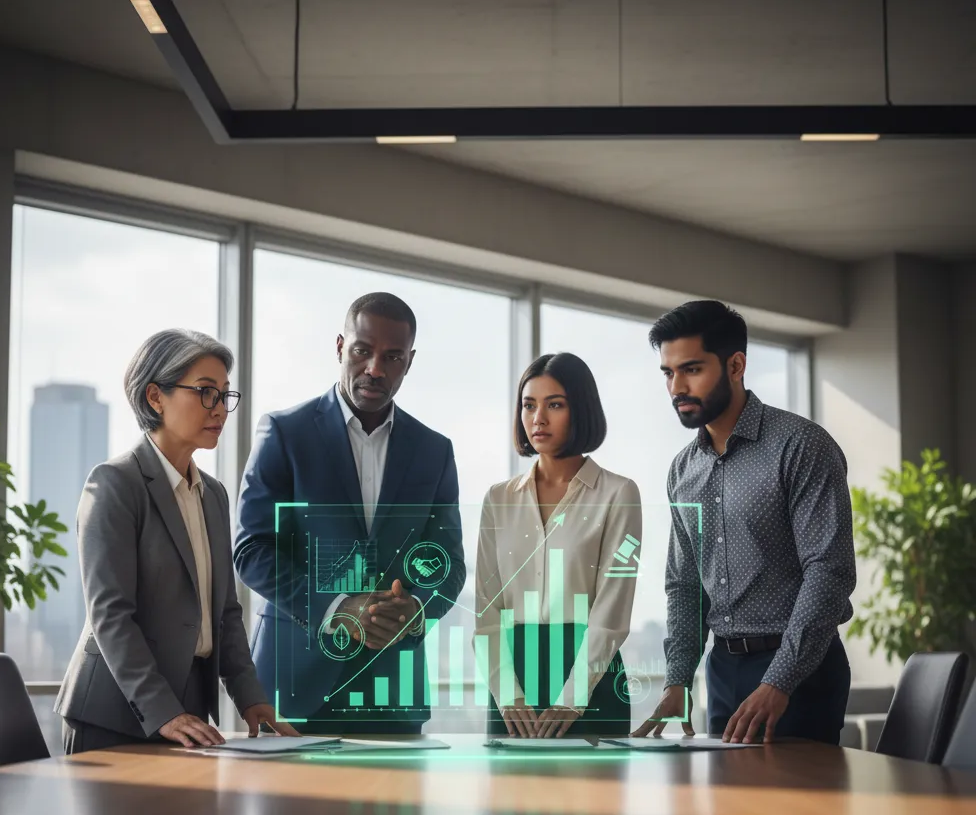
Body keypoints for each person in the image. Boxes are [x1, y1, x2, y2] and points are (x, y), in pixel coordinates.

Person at [234, 292, 466, 733]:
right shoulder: (284, 433)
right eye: (363, 351)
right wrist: (337, 607)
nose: (375, 369)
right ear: (341, 347)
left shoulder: (434, 451)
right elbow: (251, 551)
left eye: (392, 357)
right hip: (292, 688)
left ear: (409, 362)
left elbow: (448, 563)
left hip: (392, 693)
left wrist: (415, 609)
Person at [56, 329, 295, 753]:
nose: (219, 408)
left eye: (224, 395)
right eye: (205, 392)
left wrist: (251, 696)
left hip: (187, 712)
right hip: (114, 714)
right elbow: (110, 615)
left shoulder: (215, 495)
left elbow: (225, 612)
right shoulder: (114, 484)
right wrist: (163, 710)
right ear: (155, 397)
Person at [633, 300, 855, 745]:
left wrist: (779, 681)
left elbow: (828, 573)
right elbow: (684, 584)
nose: (677, 386)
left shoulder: (800, 446)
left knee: (798, 810)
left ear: (736, 365)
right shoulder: (682, 470)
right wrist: (677, 680)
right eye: (668, 373)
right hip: (723, 670)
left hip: (800, 673)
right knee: (730, 810)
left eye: (691, 369)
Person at [476, 352, 641, 738]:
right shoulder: (498, 499)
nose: (539, 418)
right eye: (529, 405)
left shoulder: (619, 494)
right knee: (509, 798)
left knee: (593, 797)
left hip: (592, 679)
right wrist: (506, 694)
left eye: (555, 405)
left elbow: (612, 608)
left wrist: (573, 694)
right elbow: (487, 610)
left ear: (580, 409)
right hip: (510, 685)